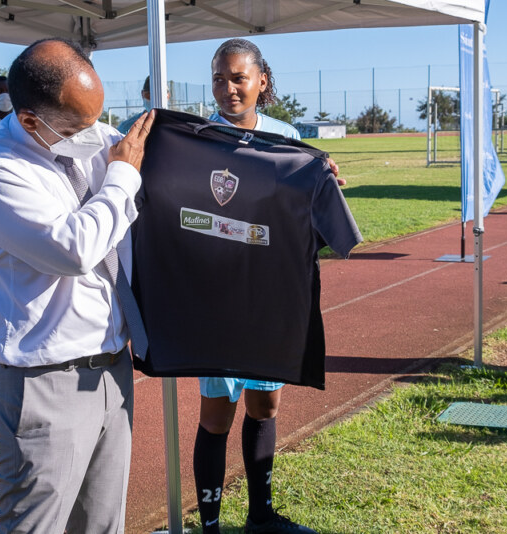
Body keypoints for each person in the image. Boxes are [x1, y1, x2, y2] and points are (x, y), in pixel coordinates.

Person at [0, 38, 154, 534]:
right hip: (45, 381)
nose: (96, 134)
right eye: (77, 127)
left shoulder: (86, 131)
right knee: (37, 526)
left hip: (110, 368)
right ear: (29, 121)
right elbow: (74, 249)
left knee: (103, 524)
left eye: (97, 118)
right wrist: (121, 177)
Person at [192, 38, 338, 534]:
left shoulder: (286, 136)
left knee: (265, 403)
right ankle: (210, 525)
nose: (228, 88)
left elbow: (297, 209)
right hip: (218, 296)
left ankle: (261, 516)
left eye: (238, 78)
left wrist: (323, 181)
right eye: (219, 79)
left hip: (270, 294)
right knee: (217, 413)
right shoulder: (198, 138)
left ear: (261, 81)